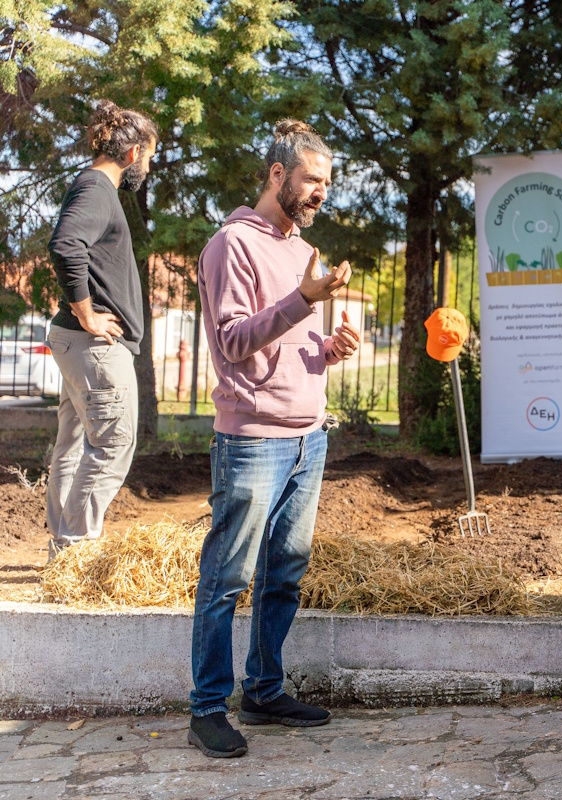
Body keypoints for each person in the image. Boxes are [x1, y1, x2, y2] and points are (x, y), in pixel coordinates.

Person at [188, 120, 360, 759]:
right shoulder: (230, 244)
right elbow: (232, 341)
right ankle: (207, 707)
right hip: (252, 440)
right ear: (278, 175)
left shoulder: (300, 252)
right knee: (228, 576)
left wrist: (328, 347)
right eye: (313, 180)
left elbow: (285, 340)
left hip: (309, 436)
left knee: (284, 573)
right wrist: (303, 299)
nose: (322, 193)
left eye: (328, 183)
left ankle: (263, 690)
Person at [44, 101, 157, 561]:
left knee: (73, 445)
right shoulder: (96, 186)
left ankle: (62, 554)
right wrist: (88, 313)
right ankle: (75, 553)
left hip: (80, 344)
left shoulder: (93, 187)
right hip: (93, 344)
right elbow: (66, 244)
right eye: (149, 155)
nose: (148, 165)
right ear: (132, 153)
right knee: (112, 444)